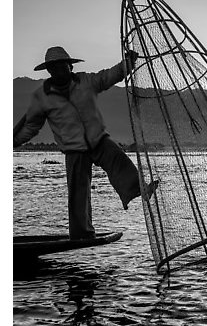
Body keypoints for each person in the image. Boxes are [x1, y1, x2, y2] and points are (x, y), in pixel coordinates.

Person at [13, 46, 157, 240]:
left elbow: (108, 77)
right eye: (54, 68)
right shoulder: (43, 96)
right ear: (49, 71)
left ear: (70, 67)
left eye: (63, 66)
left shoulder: (85, 81)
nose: (59, 71)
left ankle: (138, 190)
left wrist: (127, 64)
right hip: (74, 149)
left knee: (118, 158)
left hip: (97, 139)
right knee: (78, 193)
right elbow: (31, 126)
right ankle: (82, 234)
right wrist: (14, 142)